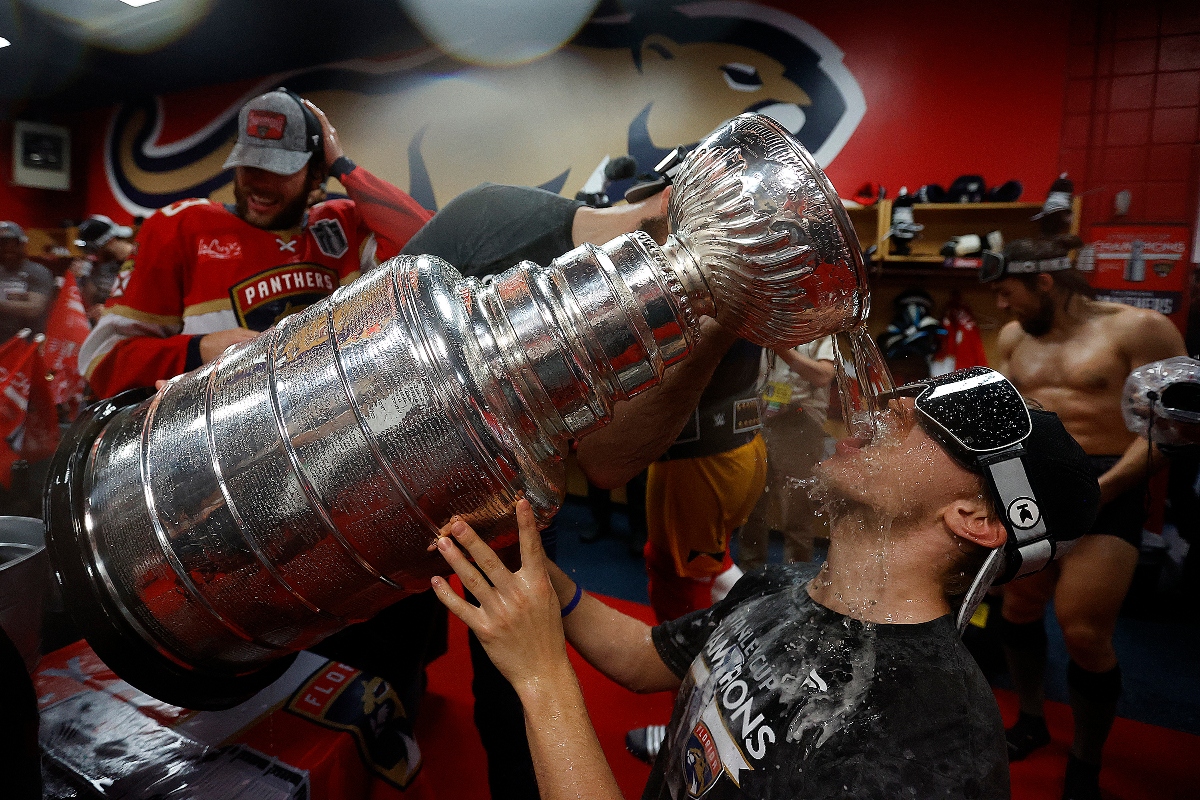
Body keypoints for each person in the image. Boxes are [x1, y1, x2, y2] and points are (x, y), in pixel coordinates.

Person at [429, 367, 1102, 799]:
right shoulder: (782, 587)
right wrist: (533, 569)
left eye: (921, 427)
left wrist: (541, 677)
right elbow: (641, 658)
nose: (882, 413)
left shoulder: (931, 739)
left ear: (977, 519)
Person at [397, 179, 747, 800]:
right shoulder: (490, 220)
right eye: (699, 252)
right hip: (383, 494)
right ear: (670, 208)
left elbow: (609, 463)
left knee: (511, 699)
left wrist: (719, 320)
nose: (690, 278)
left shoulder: (675, 308)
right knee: (389, 656)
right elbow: (363, 332)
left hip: (514, 514)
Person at [981, 236, 1188, 799]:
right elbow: (1003, 415)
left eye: (1007, 292)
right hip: (1030, 485)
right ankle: (1030, 718)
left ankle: (1086, 760)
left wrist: (1101, 489)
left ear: (1045, 282)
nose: (1001, 306)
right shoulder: (1014, 337)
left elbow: (1172, 428)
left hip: (1107, 483)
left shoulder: (1141, 329)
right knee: (1018, 609)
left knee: (1083, 630)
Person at [78, 88, 432, 397]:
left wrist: (343, 166)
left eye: (279, 169)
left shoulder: (343, 224)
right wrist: (200, 350)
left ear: (315, 174)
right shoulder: (180, 228)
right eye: (249, 165)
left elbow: (428, 255)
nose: (259, 183)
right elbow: (102, 362)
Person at [737, 336, 835, 569]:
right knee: (752, 505)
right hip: (760, 415)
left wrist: (781, 349)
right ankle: (749, 573)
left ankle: (796, 575)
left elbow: (823, 375)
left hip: (800, 419)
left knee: (796, 509)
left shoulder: (819, 332)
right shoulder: (764, 327)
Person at [0, 221, 55, 343]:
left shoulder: (38, 272)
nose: (7, 248)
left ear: (22, 244)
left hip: (27, 342)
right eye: (2, 244)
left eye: (12, 243)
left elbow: (34, 308)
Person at [73, 214, 136, 320]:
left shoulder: (140, 260)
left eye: (94, 250)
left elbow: (150, 304)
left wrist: (111, 311)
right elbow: (92, 301)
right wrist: (80, 278)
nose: (93, 255)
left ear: (110, 240)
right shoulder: (106, 267)